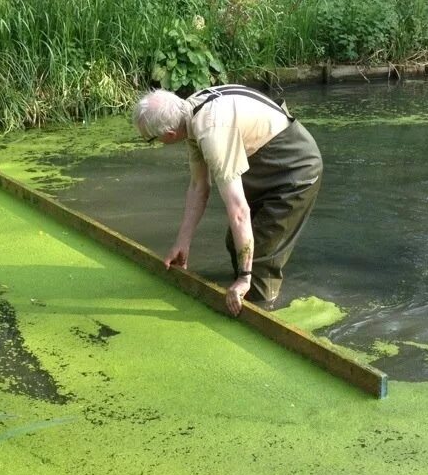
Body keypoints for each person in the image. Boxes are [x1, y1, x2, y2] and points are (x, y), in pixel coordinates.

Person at [133, 84, 322, 316]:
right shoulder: (190, 112)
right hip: (265, 163)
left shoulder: (212, 131)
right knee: (235, 242)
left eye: (152, 140)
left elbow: (238, 211)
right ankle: (243, 295)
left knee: (261, 252)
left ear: (169, 135)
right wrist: (182, 242)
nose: (156, 143)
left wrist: (244, 277)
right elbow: (198, 186)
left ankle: (265, 310)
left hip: (296, 169)